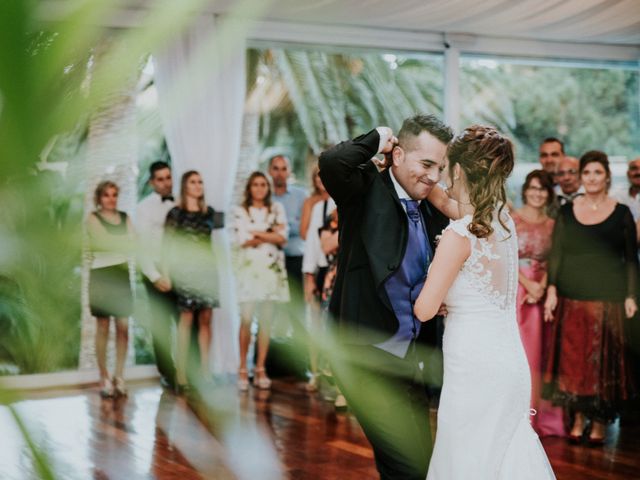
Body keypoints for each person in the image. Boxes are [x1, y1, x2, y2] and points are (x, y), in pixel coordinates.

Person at [414, 125, 555, 479]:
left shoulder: (457, 236)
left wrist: (434, 288)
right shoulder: (503, 222)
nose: (442, 175)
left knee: (467, 462)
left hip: (474, 370)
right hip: (509, 367)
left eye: (445, 167)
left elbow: (424, 309)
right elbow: (451, 204)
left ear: (459, 170)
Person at [319, 114, 453, 479]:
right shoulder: (363, 192)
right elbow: (333, 162)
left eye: (440, 167)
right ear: (396, 156)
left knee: (418, 464)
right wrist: (379, 137)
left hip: (410, 361)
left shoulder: (432, 211)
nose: (434, 176)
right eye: (426, 163)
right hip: (364, 356)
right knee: (406, 466)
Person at [544, 150, 638, 446]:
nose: (592, 178)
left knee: (602, 364)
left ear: (607, 176)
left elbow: (631, 259)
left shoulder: (622, 213)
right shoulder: (567, 212)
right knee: (575, 365)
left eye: (598, 172)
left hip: (608, 299)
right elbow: (556, 254)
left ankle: (598, 424)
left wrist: (631, 295)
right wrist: (551, 290)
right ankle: (579, 419)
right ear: (581, 177)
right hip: (572, 298)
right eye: (587, 173)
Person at [512, 170, 565, 437]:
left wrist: (541, 286)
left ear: (549, 193)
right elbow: (506, 256)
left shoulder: (553, 224)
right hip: (516, 288)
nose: (537, 193)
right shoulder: (512, 218)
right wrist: (527, 283)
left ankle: (537, 416)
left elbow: (556, 260)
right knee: (517, 354)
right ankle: (514, 415)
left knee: (539, 356)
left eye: (542, 189)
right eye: (533, 188)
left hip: (542, 293)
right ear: (525, 190)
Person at [163, 171, 220, 393]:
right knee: (185, 321)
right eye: (193, 182)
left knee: (206, 321)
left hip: (207, 272)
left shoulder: (210, 213)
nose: (198, 186)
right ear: (185, 186)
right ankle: (181, 375)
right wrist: (166, 274)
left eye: (200, 182)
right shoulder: (175, 213)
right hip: (185, 272)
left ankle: (205, 373)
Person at [232, 171, 290, 391]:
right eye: (255, 184)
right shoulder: (240, 211)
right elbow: (243, 240)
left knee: (265, 322)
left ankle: (260, 368)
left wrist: (258, 233)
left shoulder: (277, 209)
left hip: (271, 271)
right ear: (249, 188)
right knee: (246, 320)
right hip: (248, 271)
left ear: (268, 188)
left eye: (263, 184)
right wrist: (269, 232)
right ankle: (241, 368)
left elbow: (283, 238)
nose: (259, 188)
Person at [87, 181, 135, 398]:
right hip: (102, 276)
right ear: (99, 198)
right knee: (103, 328)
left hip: (121, 275)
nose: (111, 199)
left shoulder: (125, 218)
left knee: (123, 328)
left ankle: (119, 376)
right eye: (106, 195)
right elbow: (104, 242)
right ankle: (103, 376)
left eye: (114, 195)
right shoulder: (92, 218)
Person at [136, 161, 177, 389]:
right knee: (162, 325)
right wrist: (154, 276)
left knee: (183, 321)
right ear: (152, 183)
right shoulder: (143, 208)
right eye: (160, 179)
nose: (165, 183)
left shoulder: (182, 202)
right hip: (155, 268)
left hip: (180, 269)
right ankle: (167, 373)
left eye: (168, 177)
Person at [301, 169, 336, 392]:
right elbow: (312, 245)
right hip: (322, 268)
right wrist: (309, 276)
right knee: (315, 324)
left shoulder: (343, 202)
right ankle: (314, 373)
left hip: (339, 267)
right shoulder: (316, 208)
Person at [269, 155, 308, 340]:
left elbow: (303, 229)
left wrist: (277, 228)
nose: (279, 173)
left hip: (295, 260)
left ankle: (301, 363)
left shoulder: (301, 195)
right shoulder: (263, 195)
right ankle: (267, 362)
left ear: (289, 172)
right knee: (270, 311)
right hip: (269, 262)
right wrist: (287, 226)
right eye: (276, 168)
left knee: (297, 311)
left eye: (284, 169)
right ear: (270, 171)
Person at [299, 165, 329, 241]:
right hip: (314, 247)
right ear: (314, 180)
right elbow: (303, 233)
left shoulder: (339, 199)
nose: (322, 178)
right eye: (318, 175)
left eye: (326, 174)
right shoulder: (309, 201)